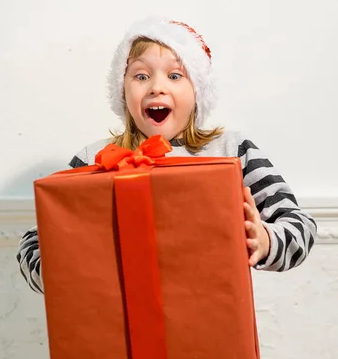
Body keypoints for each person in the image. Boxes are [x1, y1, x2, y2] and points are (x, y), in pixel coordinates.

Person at [17, 16, 317, 294]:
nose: (157, 87)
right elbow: (33, 245)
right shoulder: (96, 159)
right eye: (141, 76)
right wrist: (69, 272)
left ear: (197, 91)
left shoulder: (233, 152)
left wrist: (263, 241)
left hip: (210, 329)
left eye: (175, 76)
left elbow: (300, 227)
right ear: (123, 91)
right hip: (118, 333)